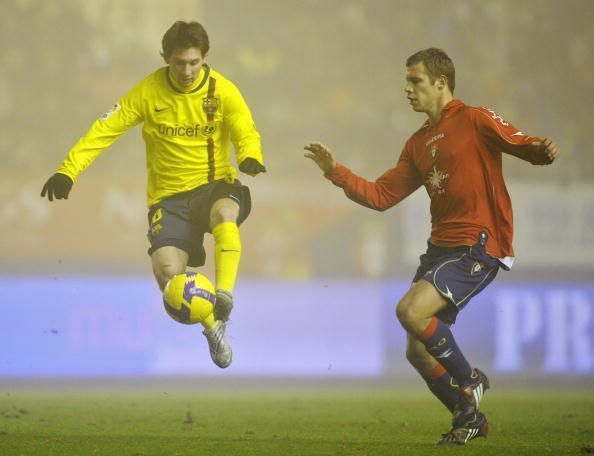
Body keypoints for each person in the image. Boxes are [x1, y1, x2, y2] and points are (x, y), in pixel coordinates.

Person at [304, 48, 560, 445]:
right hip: (439, 250)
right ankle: (468, 417)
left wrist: (540, 152)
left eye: (416, 81)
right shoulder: (418, 143)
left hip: (477, 244)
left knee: (409, 310)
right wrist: (334, 171)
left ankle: (470, 380)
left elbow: (521, 142)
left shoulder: (475, 119)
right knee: (417, 352)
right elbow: (380, 195)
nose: (407, 90)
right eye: (407, 81)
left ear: (441, 83)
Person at [40, 21, 265, 369]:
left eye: (194, 62)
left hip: (214, 185)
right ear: (165, 59)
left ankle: (224, 295)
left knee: (225, 215)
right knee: (166, 275)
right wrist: (68, 170)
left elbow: (244, 128)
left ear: (204, 58)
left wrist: (251, 155)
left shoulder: (223, 91)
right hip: (168, 200)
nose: (188, 70)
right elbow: (105, 128)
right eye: (179, 63)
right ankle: (213, 327)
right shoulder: (147, 92)